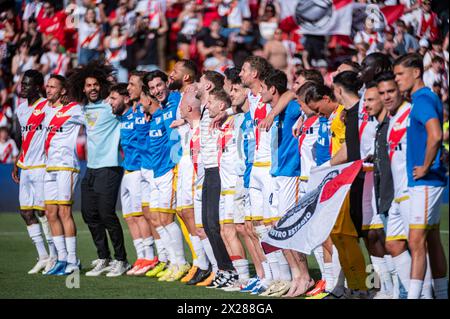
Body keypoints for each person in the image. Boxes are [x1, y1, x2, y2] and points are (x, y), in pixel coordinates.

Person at [67, 60, 129, 277]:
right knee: (88, 214)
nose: (92, 88)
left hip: (110, 166)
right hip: (91, 169)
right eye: (88, 85)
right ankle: (104, 257)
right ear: (82, 88)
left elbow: (126, 104)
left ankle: (122, 260)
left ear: (101, 85)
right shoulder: (83, 109)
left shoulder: (110, 106)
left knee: (107, 214)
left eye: (95, 84)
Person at [393, 53, 448, 299]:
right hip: (429, 180)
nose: (397, 80)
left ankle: (415, 296)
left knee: (416, 240)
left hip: (425, 181)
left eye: (400, 74)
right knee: (432, 239)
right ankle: (442, 293)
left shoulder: (423, 99)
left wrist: (425, 165)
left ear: (416, 72)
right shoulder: (424, 98)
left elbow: (436, 134)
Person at [108, 82, 156, 277]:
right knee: (128, 216)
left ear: (126, 99)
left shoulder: (139, 114)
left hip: (138, 171)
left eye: (113, 98)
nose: (110, 102)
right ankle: (141, 256)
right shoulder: (121, 118)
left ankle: (150, 257)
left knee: (139, 215)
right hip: (127, 171)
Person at [12, 69, 56, 274]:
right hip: (26, 167)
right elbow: (24, 140)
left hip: (42, 168)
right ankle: (43, 255)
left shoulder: (47, 107)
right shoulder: (21, 110)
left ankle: (55, 256)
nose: (23, 88)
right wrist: (17, 162)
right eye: (22, 84)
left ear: (38, 87)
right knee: (26, 212)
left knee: (43, 212)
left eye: (27, 84)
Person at [376, 71, 413, 298]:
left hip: (413, 190)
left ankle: (424, 293)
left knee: (419, 247)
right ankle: (411, 292)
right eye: (383, 93)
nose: (387, 96)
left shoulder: (410, 112)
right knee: (394, 245)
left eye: (391, 91)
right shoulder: (392, 119)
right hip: (396, 193)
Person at [42, 74, 84, 276]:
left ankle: (73, 261)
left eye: (53, 87)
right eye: (47, 86)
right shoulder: (46, 109)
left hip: (66, 166)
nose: (48, 90)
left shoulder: (74, 109)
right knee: (50, 212)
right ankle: (61, 258)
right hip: (49, 166)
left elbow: (93, 121)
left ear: (63, 90)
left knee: (64, 212)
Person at [364, 81, 395, 298]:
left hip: (386, 188)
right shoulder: (369, 123)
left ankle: (395, 287)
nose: (366, 105)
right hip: (367, 183)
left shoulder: (390, 124)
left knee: (386, 237)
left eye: (370, 99)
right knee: (368, 235)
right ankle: (379, 286)